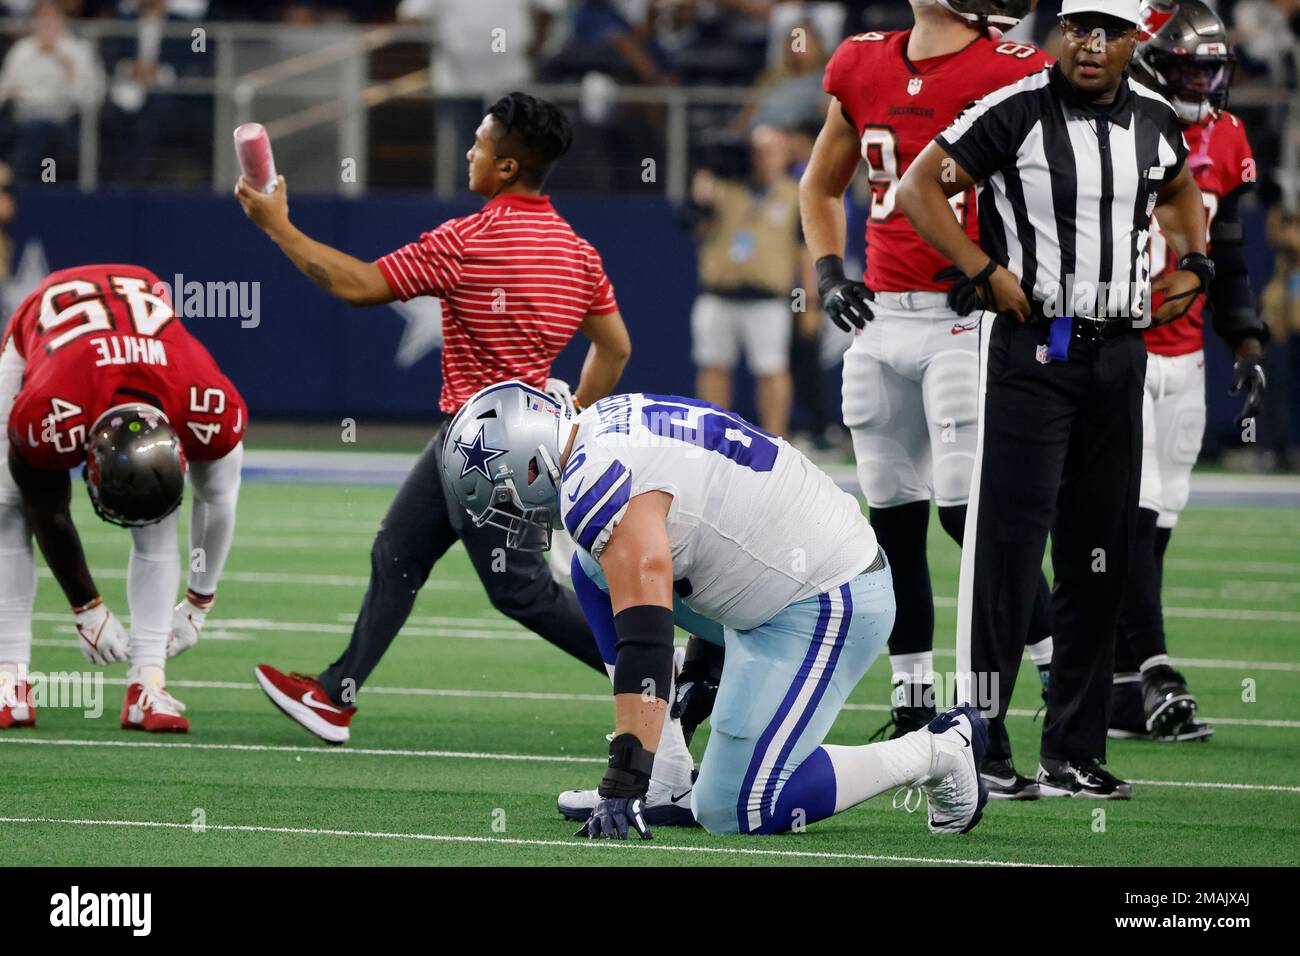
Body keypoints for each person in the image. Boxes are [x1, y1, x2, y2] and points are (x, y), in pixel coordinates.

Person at [236, 92, 635, 747]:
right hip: (512, 437)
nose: (469, 153)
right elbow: (615, 348)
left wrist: (277, 224)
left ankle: (657, 676)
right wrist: (576, 413)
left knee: (523, 593)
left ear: (505, 167)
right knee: (397, 552)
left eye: (479, 144)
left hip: (482, 442)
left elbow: (359, 286)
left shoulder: (468, 240)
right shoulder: (578, 252)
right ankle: (337, 693)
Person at [898, 0, 1214, 798]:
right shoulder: (1016, 109)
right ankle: (982, 739)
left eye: (1108, 30)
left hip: (1119, 353)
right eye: (1078, 27)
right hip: (1035, 346)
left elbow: (1180, 195)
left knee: (1099, 552)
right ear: (1058, 33)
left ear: (1136, 39)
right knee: (1006, 549)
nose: (1091, 44)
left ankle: (1071, 749)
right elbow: (918, 189)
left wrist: (1196, 265)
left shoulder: (1155, 120)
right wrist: (981, 267)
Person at [443, 381, 989, 838]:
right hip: (783, 578)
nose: (513, 513)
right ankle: (668, 779)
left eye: (506, 496)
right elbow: (712, 527)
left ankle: (937, 750)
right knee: (590, 566)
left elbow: (647, 642)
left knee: (737, 810)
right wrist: (703, 666)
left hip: (827, 599)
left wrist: (624, 777)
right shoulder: (602, 421)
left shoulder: (595, 485)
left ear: (530, 465)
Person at [799, 0, 1056, 798]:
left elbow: (1048, 192)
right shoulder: (862, 62)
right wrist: (831, 270)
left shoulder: (1016, 68)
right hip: (878, 318)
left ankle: (1047, 687)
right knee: (893, 523)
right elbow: (819, 183)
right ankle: (913, 708)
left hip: (962, 320)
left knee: (967, 518)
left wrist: (991, 264)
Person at [1110, 0, 1270, 742]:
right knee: (1132, 519)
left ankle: (1119, 681)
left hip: (1184, 353)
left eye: (1212, 69)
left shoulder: (1226, 135)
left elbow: (1230, 252)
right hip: (1119, 348)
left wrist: (1243, 338)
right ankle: (1155, 672)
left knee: (1160, 518)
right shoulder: (1117, 122)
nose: (1205, 84)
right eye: (1190, 68)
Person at [0, 263, 246, 732]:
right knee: (5, 504)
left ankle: (147, 684)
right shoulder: (50, 409)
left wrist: (198, 602)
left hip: (143, 356)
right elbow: (44, 506)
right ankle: (9, 678)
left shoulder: (208, 403)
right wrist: (86, 607)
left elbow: (219, 499)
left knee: (155, 510)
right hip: (47, 334)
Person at [688, 125, 799, 436]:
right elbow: (695, 227)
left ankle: (777, 438)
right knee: (713, 364)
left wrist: (810, 298)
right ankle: (711, 436)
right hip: (719, 294)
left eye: (770, 151)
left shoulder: (794, 192)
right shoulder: (724, 187)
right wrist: (702, 194)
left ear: (784, 155)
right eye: (758, 150)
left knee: (772, 368)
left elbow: (803, 248)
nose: (762, 158)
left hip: (768, 299)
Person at [0, 0, 103, 184]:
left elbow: (92, 98)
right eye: (41, 18)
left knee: (40, 135)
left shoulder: (79, 51)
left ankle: (31, 189)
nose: (45, 23)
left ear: (62, 20)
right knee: (32, 133)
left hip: (64, 121)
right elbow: (4, 89)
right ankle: (29, 190)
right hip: (23, 119)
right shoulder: (21, 50)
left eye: (51, 18)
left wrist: (69, 71)